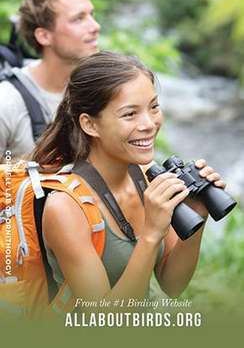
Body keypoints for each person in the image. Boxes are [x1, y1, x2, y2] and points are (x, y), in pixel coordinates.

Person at [32, 51, 225, 303]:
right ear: (90, 124)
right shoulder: (65, 208)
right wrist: (151, 233)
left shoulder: (147, 175)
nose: (149, 123)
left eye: (153, 107)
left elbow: (172, 284)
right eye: (129, 114)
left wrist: (198, 212)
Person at [0, 0, 100, 159]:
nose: (95, 26)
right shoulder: (6, 103)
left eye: (91, 15)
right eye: (78, 19)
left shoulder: (99, 90)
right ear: (44, 36)